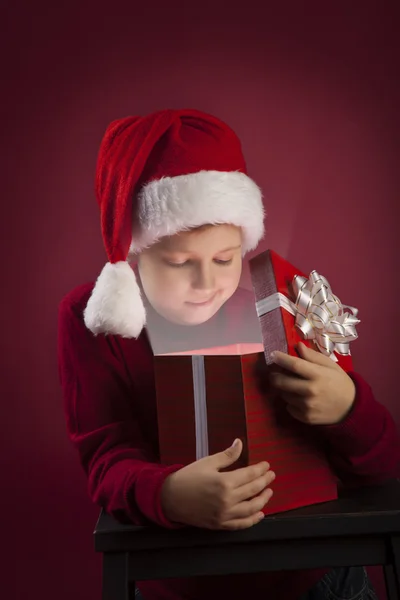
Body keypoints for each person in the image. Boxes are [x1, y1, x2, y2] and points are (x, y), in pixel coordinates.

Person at [57, 108, 399, 600]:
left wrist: (346, 406)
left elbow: (382, 465)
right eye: (178, 263)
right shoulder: (92, 319)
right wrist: (168, 494)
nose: (208, 284)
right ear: (133, 255)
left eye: (225, 259)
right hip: (189, 578)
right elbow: (107, 457)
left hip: (319, 575)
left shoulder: (283, 294)